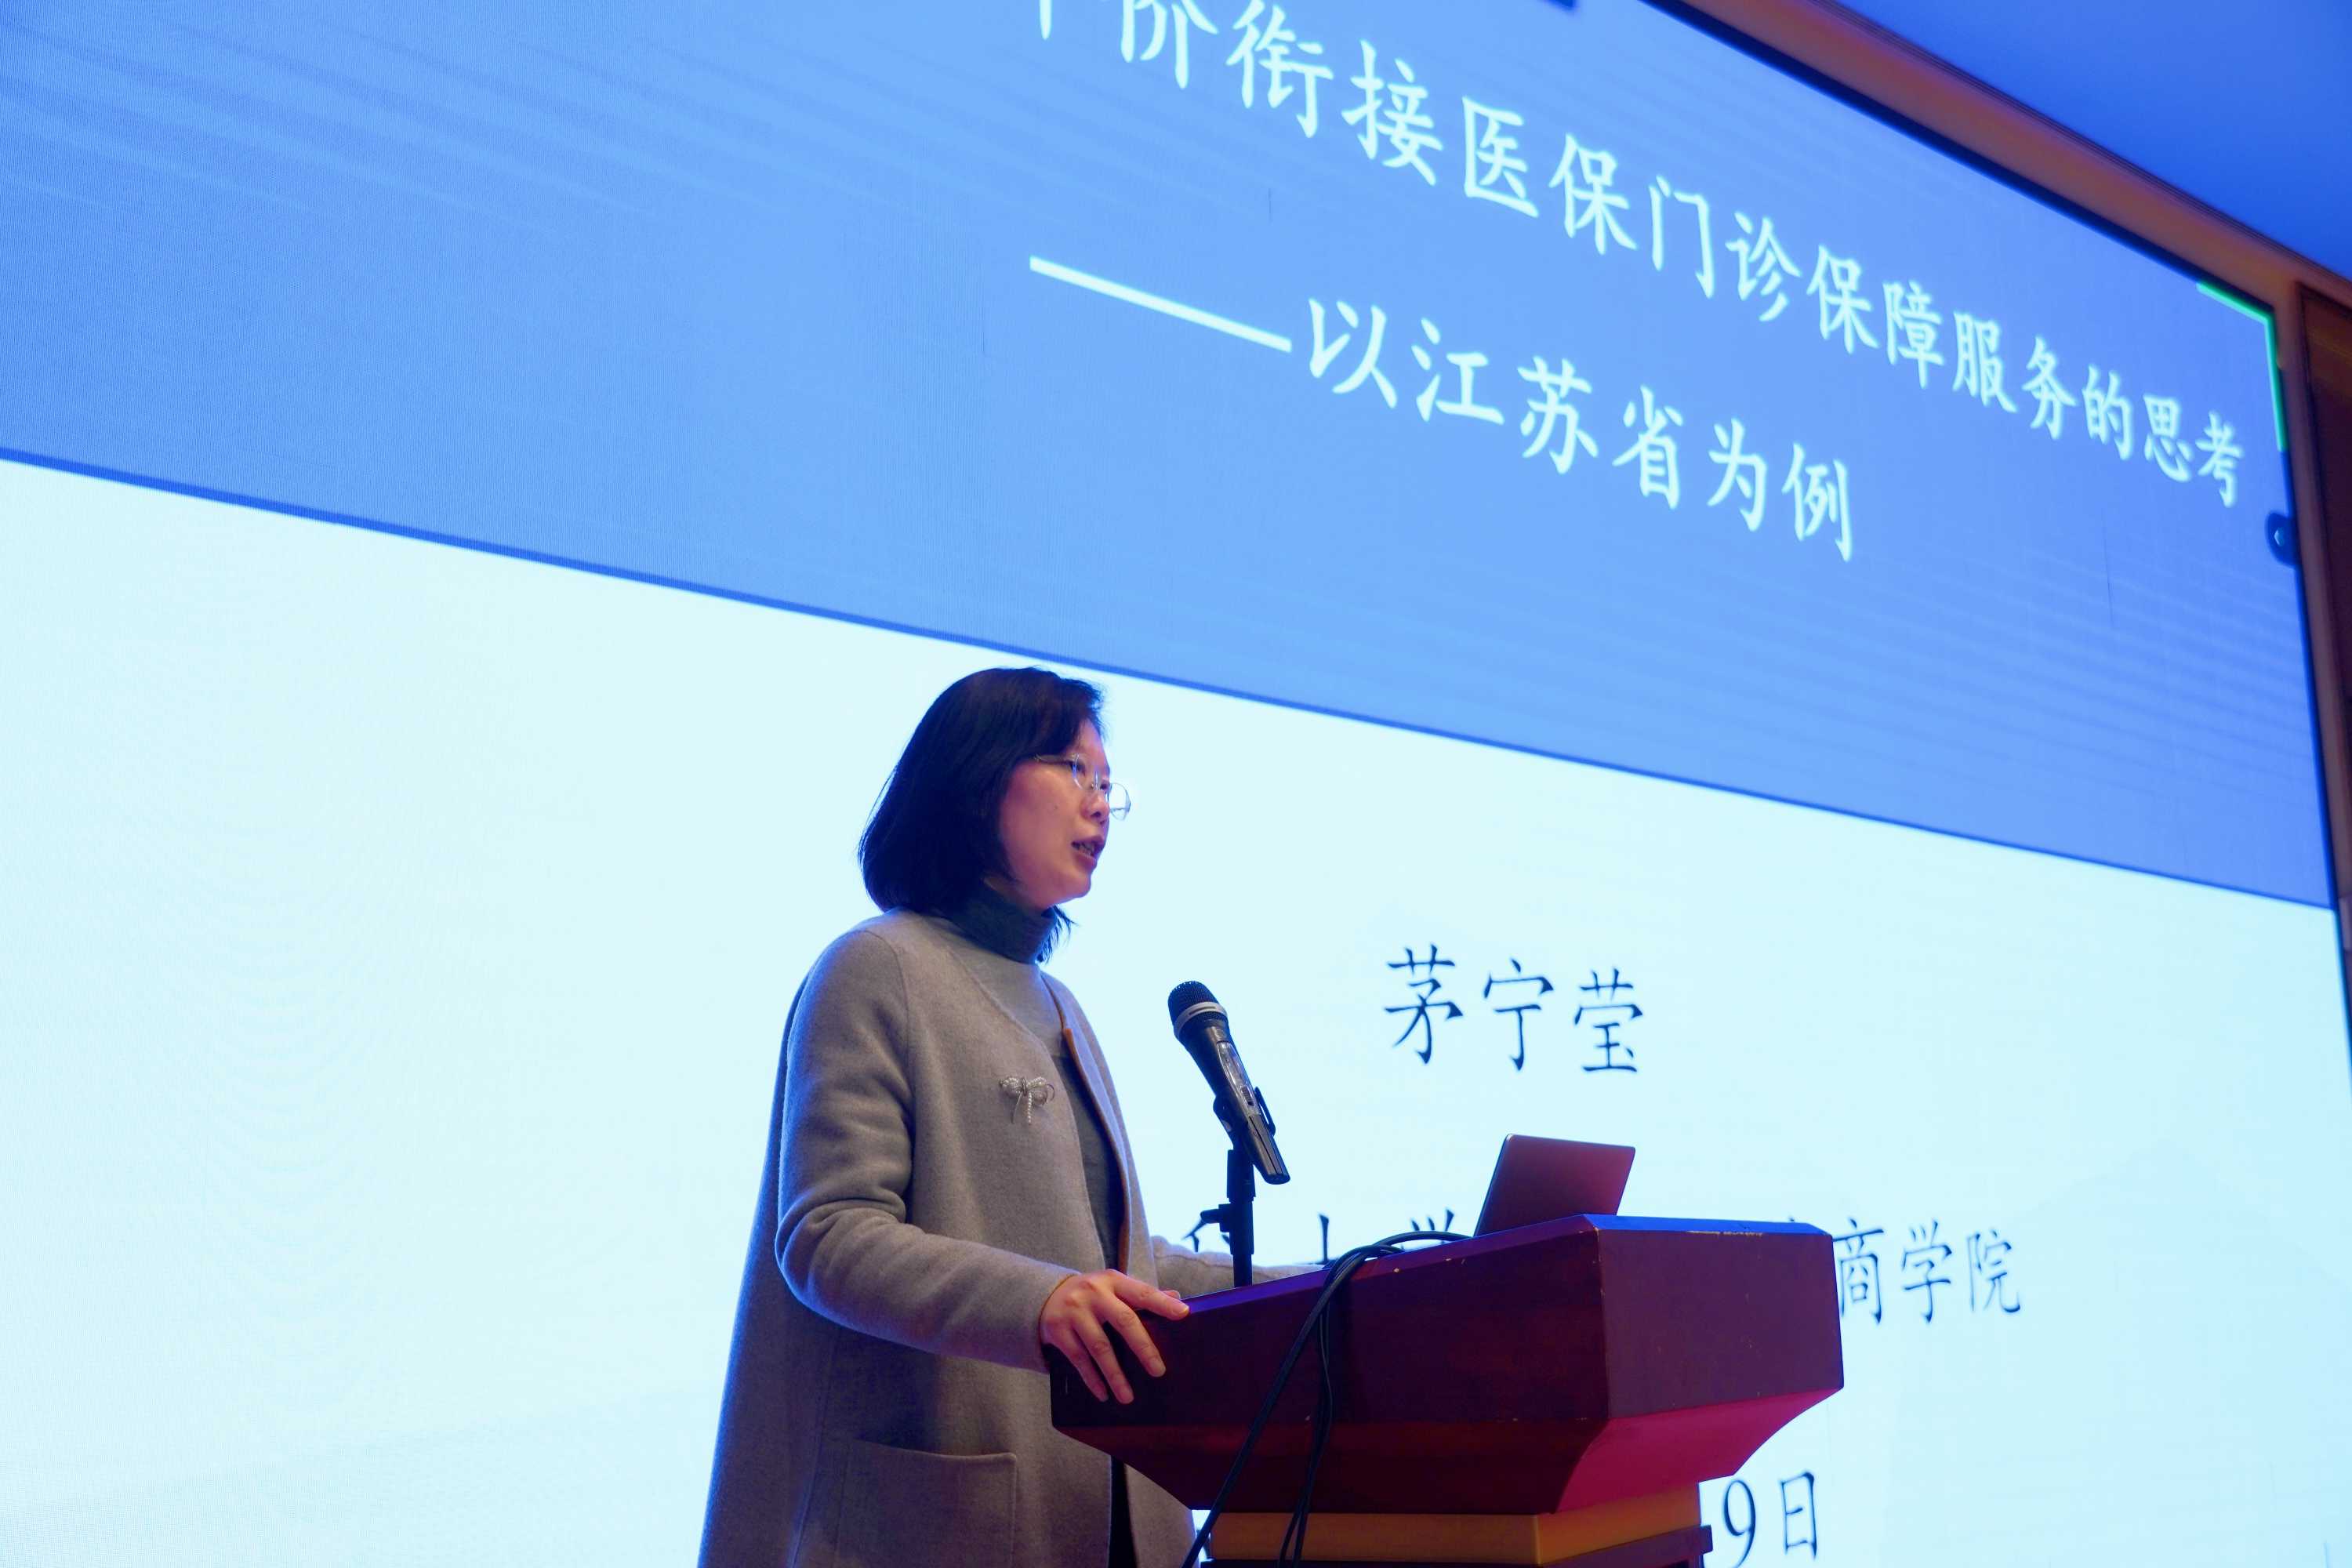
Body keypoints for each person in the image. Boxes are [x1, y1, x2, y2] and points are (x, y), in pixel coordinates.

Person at [699, 666, 1265, 1568]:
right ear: (980, 776)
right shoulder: (877, 966)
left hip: (1115, 1517)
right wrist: (1039, 1301)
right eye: (1076, 770)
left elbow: (1106, 1262)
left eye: (1109, 782)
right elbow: (828, 1233)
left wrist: (1317, 1284)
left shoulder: (1062, 1004)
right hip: (937, 1527)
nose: (1101, 804)